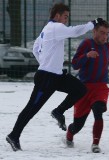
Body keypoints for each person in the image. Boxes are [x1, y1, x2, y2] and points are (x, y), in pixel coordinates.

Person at [6, 2, 103, 151]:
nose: (66, 20)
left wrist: (45, 63)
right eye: (65, 17)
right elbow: (75, 31)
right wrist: (93, 24)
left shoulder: (47, 29)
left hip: (56, 76)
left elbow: (35, 48)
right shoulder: (55, 27)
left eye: (67, 17)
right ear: (57, 16)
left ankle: (58, 111)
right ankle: (14, 135)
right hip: (46, 79)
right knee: (31, 109)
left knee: (80, 89)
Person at [65, 20, 109, 153]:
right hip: (83, 89)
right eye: (102, 33)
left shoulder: (106, 47)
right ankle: (70, 133)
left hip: (100, 88)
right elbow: (74, 64)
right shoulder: (86, 44)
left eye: (107, 34)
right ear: (94, 31)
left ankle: (95, 144)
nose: (105, 36)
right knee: (78, 125)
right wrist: (87, 55)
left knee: (98, 110)